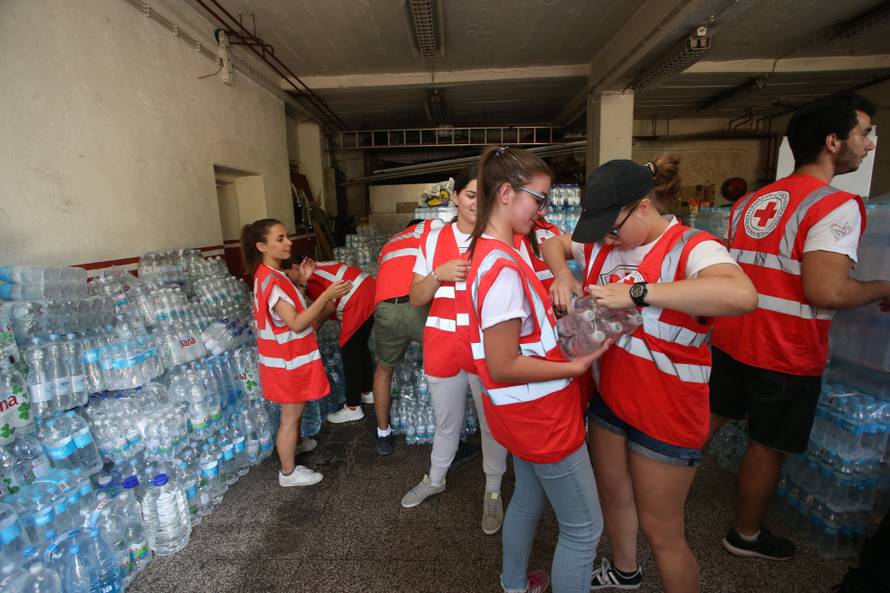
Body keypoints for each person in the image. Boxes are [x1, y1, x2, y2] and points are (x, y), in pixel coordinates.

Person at [542, 156, 757, 593]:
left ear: (643, 206)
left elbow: (741, 294)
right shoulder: (604, 243)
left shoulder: (691, 247)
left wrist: (637, 294)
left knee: (662, 532)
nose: (607, 238)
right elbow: (552, 245)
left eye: (613, 227)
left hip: (666, 412)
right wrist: (563, 274)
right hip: (611, 399)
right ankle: (624, 571)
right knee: (614, 497)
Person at [706, 93, 889, 561]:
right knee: (767, 446)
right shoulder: (836, 206)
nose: (869, 144)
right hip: (784, 349)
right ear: (833, 142)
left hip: (733, 335)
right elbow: (826, 292)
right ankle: (745, 535)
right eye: (863, 133)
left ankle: (657, 490)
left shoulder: (752, 200)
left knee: (708, 419)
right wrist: (881, 287)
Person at [468, 146, 609, 593]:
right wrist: (575, 367)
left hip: (518, 415)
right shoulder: (503, 267)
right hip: (542, 419)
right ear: (506, 193)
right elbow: (503, 363)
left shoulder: (495, 252)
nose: (544, 210)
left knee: (527, 497)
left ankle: (513, 584)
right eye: (539, 199)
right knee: (584, 528)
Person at [399, 166, 510, 536]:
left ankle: (493, 490)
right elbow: (416, 297)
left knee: (492, 425)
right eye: (471, 195)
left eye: (485, 195)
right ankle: (436, 477)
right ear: (455, 198)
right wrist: (438, 273)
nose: (478, 203)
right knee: (446, 422)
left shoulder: (501, 236)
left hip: (486, 346)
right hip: (443, 345)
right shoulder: (432, 240)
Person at [240, 219, 351, 487]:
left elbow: (288, 312)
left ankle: (295, 445)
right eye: (280, 239)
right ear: (261, 246)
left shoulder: (268, 275)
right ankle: (288, 472)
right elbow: (297, 322)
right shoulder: (272, 282)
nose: (288, 242)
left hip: (285, 358)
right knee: (290, 418)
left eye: (287, 236)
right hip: (287, 362)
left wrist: (303, 281)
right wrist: (325, 297)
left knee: (295, 413)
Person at [371, 217, 443, 455]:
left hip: (384, 308)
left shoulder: (391, 243)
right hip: (417, 306)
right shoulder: (431, 235)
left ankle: (383, 435)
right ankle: (451, 436)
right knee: (445, 367)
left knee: (384, 369)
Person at [302, 258, 376, 425]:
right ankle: (366, 391)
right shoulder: (316, 268)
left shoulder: (310, 278)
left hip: (358, 298)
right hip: (369, 290)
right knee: (359, 347)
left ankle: (353, 408)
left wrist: (315, 326)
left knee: (349, 351)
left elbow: (328, 308)